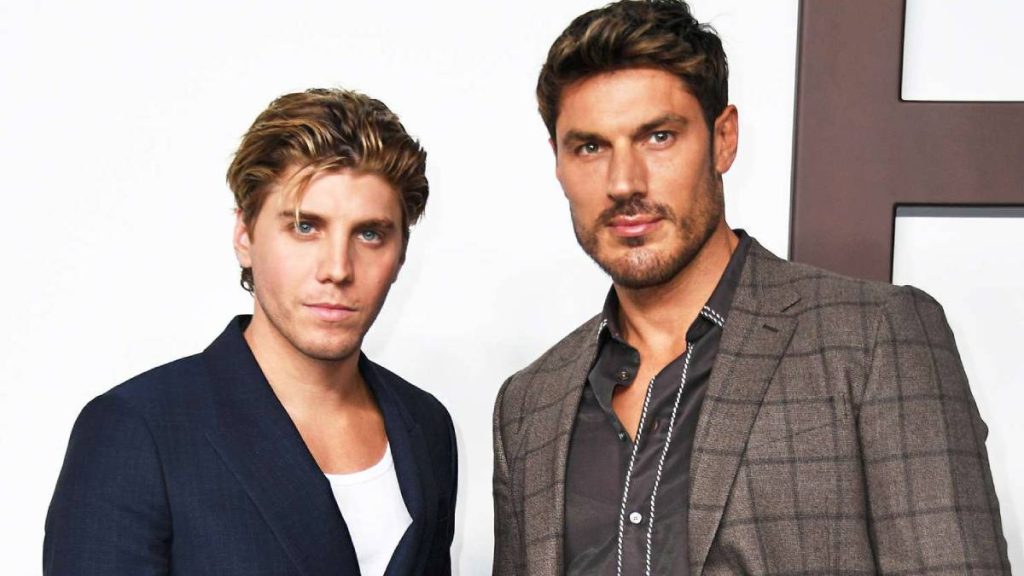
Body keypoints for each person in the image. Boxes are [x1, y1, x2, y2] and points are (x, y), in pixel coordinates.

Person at [491, 1, 1010, 574]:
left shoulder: (872, 340)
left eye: (658, 137)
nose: (623, 183)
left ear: (723, 139)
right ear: (558, 162)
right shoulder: (530, 404)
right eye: (590, 147)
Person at [44, 88, 457, 576]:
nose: (337, 268)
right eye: (305, 227)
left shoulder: (426, 426)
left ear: (401, 252)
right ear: (245, 235)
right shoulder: (136, 430)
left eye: (370, 234)